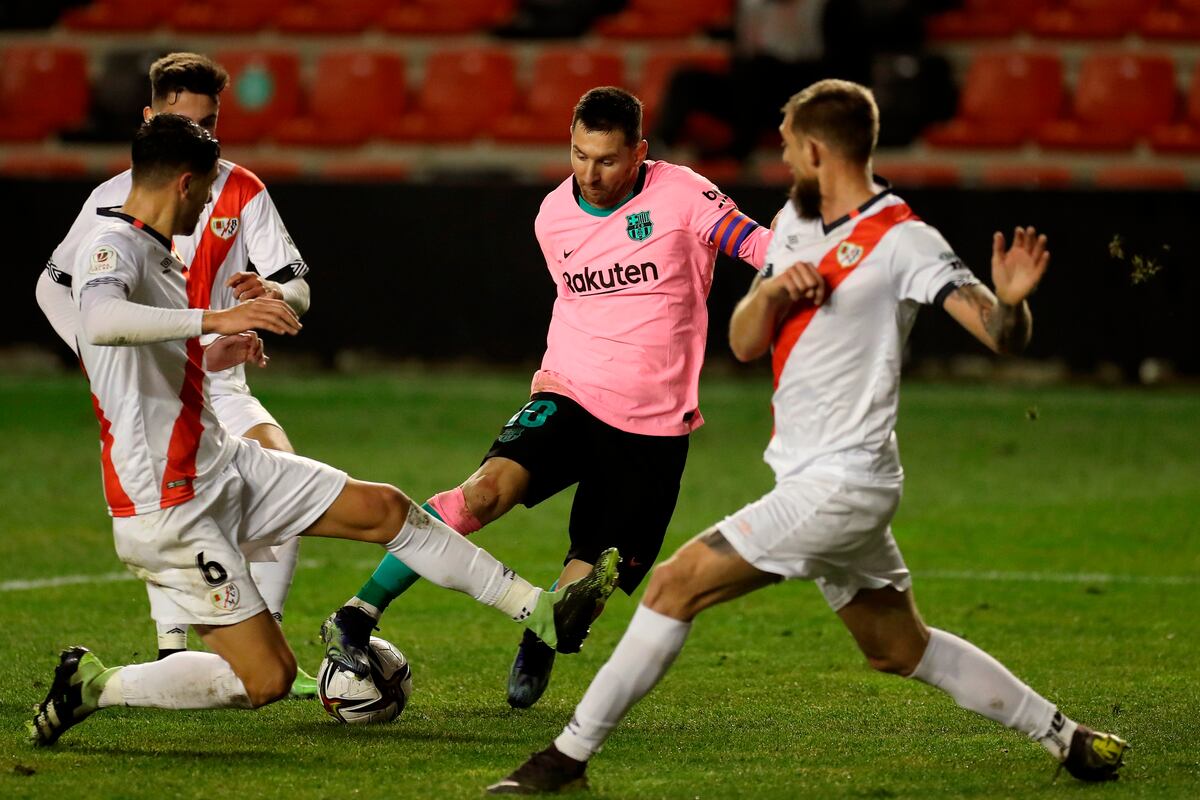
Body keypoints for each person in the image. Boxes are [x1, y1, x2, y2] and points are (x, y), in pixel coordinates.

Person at [487, 79, 1129, 794]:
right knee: (897, 647)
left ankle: (564, 761)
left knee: (673, 586)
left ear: (816, 148)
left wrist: (1012, 307)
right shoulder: (793, 225)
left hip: (843, 483)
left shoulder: (902, 239)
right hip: (810, 480)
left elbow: (998, 333)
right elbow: (741, 342)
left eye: (790, 145)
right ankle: (1066, 738)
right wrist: (769, 294)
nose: (784, 157)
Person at [28, 114, 620, 748]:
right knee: (265, 679)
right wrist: (218, 314)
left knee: (385, 507)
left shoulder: (156, 248)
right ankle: (92, 684)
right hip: (167, 503)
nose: (206, 207)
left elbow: (139, 357)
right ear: (183, 182)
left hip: (220, 463)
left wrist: (208, 352)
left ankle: (542, 613)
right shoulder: (111, 242)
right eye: (204, 193)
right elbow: (99, 320)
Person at [322, 86, 773, 707]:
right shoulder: (552, 216)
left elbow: (757, 248)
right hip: (571, 391)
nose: (591, 172)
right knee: (484, 490)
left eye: (609, 159)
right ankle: (358, 613)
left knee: (589, 584)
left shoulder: (684, 195)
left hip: (654, 424)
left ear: (640, 151)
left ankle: (541, 636)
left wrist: (803, 250)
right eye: (579, 154)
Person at [36, 53, 319, 695]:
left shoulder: (241, 188)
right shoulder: (111, 199)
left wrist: (275, 302)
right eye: (182, 119)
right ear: (151, 117)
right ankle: (173, 651)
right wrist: (100, 356)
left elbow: (295, 282)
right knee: (172, 497)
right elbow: (51, 286)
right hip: (153, 384)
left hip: (221, 380)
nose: (201, 137)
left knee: (280, 471)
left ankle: (258, 641)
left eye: (209, 123)